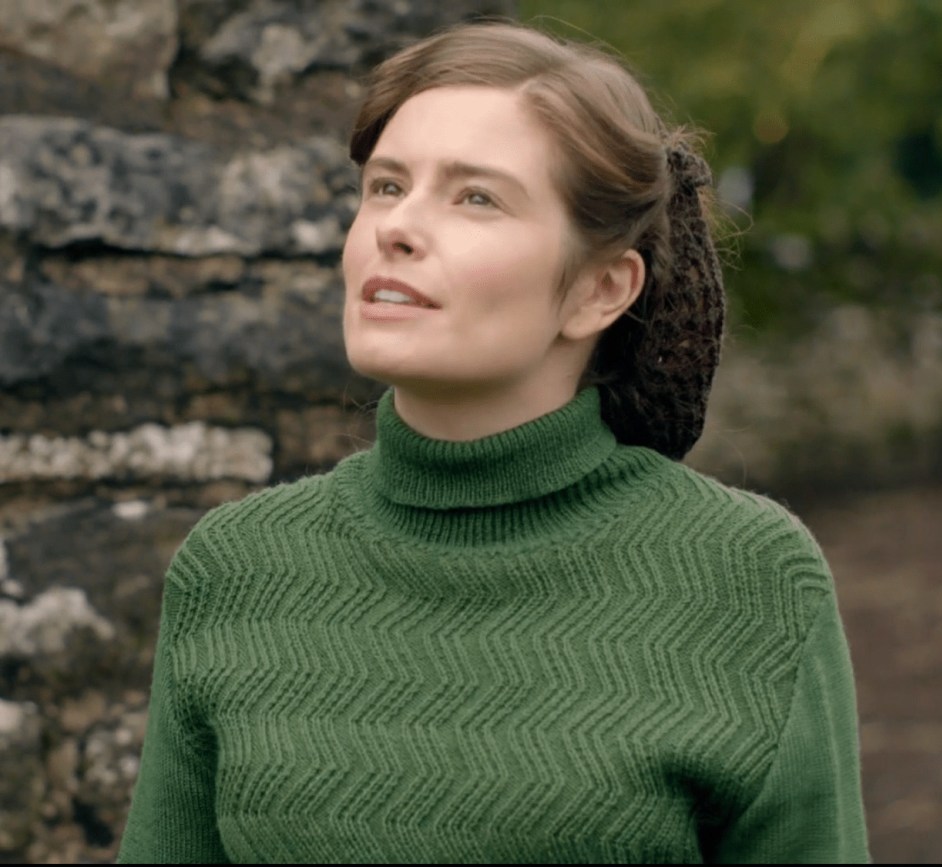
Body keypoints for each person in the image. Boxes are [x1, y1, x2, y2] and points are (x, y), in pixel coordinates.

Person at [119, 20, 870, 864]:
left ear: (599, 289)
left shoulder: (749, 579)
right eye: (386, 186)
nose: (397, 226)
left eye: (476, 197)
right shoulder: (234, 568)